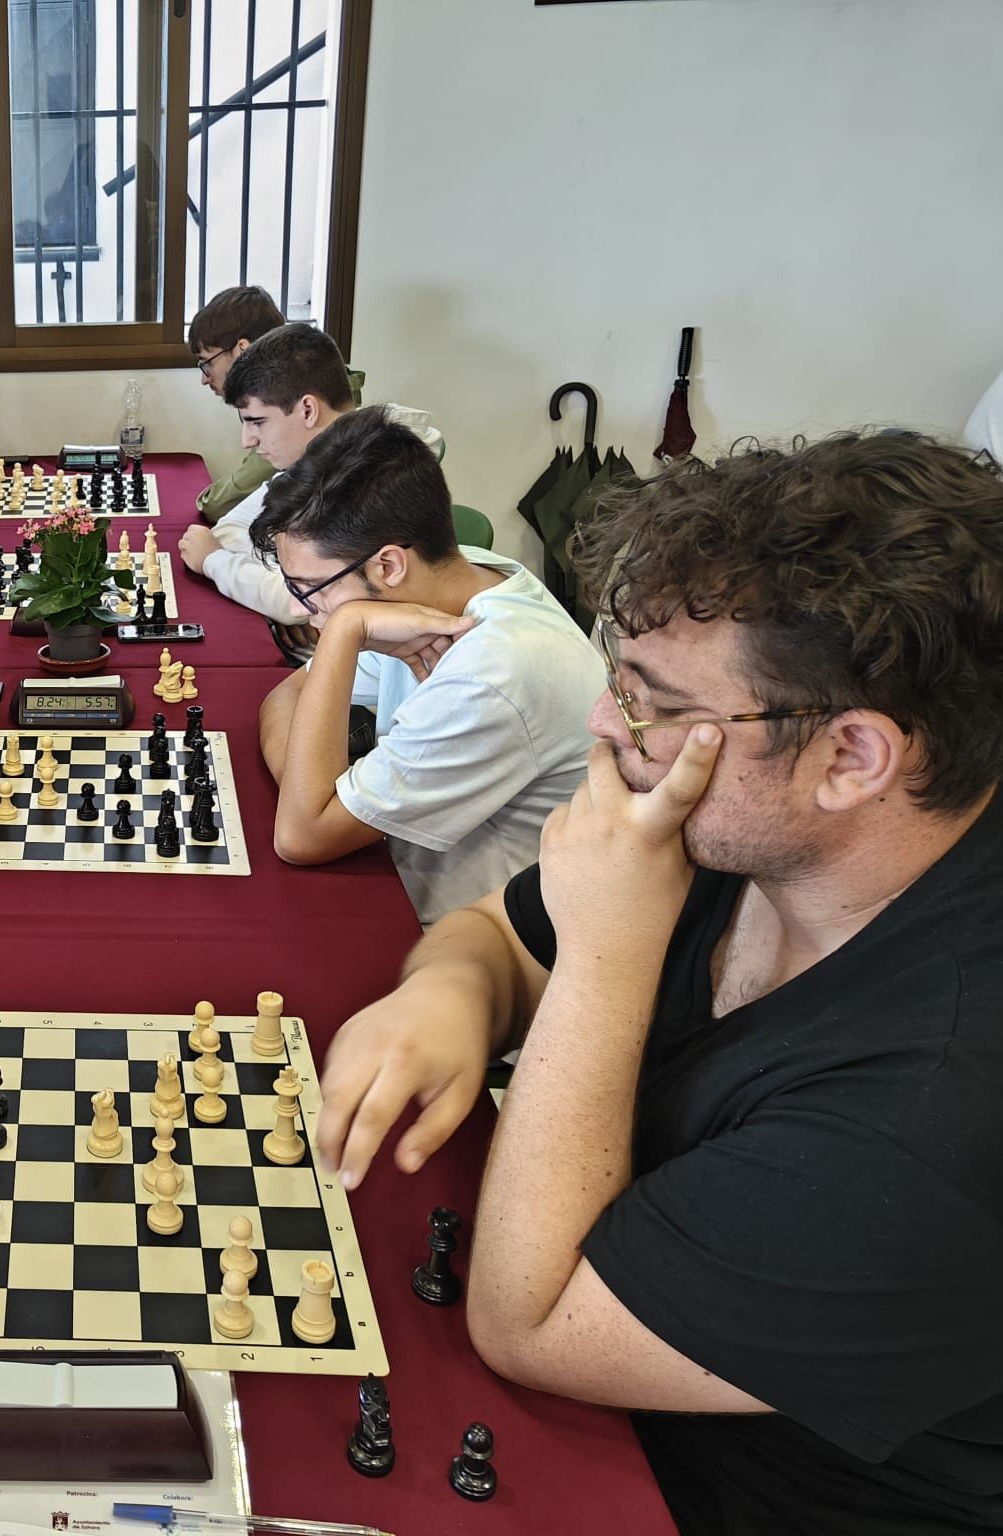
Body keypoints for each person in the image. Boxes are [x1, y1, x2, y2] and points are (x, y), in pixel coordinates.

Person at [315, 433, 1003, 1535]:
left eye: (653, 702)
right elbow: (492, 934)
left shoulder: (932, 1110)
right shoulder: (737, 820)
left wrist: (605, 952)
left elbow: (526, 1323)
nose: (604, 724)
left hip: (716, 1496)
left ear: (851, 758)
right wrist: (446, 994)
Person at [253, 408, 598, 923]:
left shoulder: (491, 672)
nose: (304, 610)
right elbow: (282, 698)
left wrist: (343, 631)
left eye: (310, 589)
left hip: (469, 937)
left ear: (389, 565)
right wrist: (308, 786)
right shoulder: (456, 577)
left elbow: (300, 835)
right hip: (399, 880)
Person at [177, 323, 442, 628]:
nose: (247, 440)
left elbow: (297, 602)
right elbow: (229, 529)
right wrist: (285, 581)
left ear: (307, 410)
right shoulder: (309, 466)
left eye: (257, 422)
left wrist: (215, 561)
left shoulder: (377, 476)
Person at [187, 285, 284, 525]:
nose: (204, 379)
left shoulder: (284, 408)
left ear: (243, 350)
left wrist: (208, 498)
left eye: (207, 363)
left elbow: (219, 505)